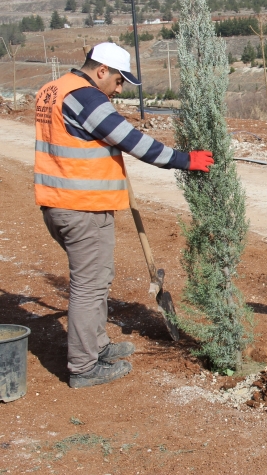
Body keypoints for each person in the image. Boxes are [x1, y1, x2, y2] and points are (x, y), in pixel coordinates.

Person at [34, 42, 215, 388]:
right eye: (118, 81)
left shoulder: (52, 89)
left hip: (58, 202)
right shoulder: (85, 97)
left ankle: (97, 345)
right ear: (101, 70)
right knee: (89, 286)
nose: (119, 89)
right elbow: (133, 141)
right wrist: (185, 160)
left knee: (98, 277)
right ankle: (84, 367)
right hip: (81, 208)